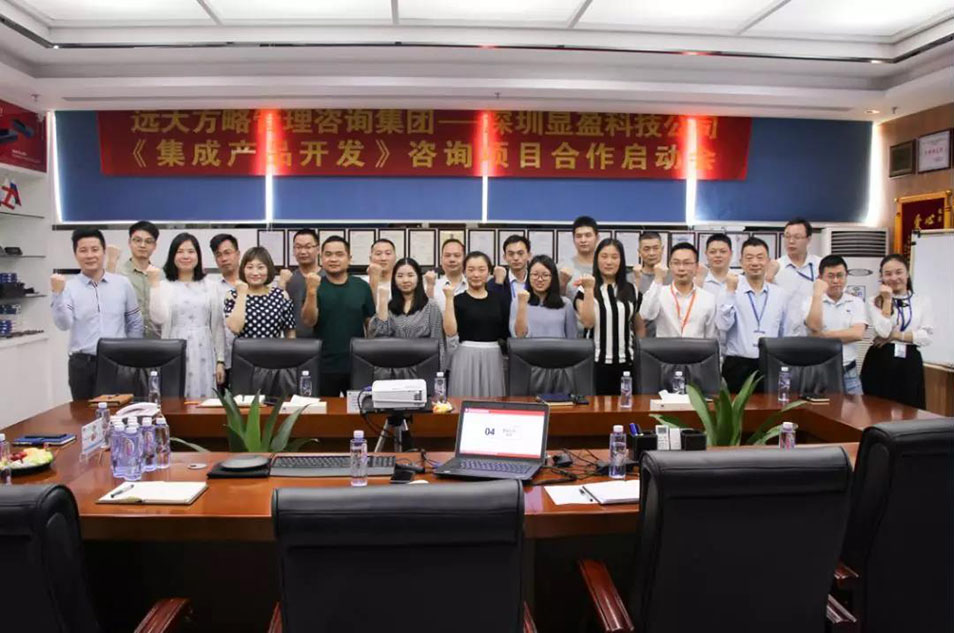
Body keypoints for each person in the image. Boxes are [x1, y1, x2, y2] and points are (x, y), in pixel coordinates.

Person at [50, 228, 143, 400]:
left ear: (104, 251)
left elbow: (135, 321)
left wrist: (130, 355)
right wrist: (57, 294)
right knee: (83, 414)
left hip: (118, 362)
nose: (90, 255)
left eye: (95, 249)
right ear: (75, 254)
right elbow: (63, 324)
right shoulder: (69, 288)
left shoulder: (122, 284)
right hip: (83, 365)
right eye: (83, 250)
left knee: (120, 412)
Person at [149, 233, 225, 399]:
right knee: (174, 397)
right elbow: (157, 319)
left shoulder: (211, 286)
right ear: (172, 256)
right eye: (180, 251)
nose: (186, 256)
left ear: (198, 255)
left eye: (191, 251)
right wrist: (154, 285)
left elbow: (218, 326)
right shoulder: (164, 286)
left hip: (204, 349)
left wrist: (220, 360)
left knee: (204, 400)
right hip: (174, 348)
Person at [716, 237, 795, 393]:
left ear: (768, 261)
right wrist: (730, 292)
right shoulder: (729, 291)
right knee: (736, 408)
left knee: (770, 406)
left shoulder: (780, 294)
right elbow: (723, 325)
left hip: (771, 362)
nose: (755, 262)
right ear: (741, 262)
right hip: (737, 364)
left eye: (760, 257)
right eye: (749, 258)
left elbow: (785, 332)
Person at [301, 236, 375, 397]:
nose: (333, 259)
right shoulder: (314, 285)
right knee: (326, 410)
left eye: (339, 254)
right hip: (324, 365)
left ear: (349, 258)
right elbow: (308, 321)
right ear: (321, 258)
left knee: (360, 409)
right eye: (328, 254)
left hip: (357, 364)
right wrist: (311, 291)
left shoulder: (361, 286)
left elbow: (371, 326)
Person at [861, 254, 934, 409]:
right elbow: (883, 332)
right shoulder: (873, 301)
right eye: (888, 274)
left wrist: (896, 335)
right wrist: (887, 300)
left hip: (910, 360)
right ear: (881, 277)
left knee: (910, 409)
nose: (894, 278)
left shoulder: (922, 301)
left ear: (907, 273)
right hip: (881, 357)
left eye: (899, 272)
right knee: (877, 409)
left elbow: (926, 337)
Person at [575, 238, 643, 395]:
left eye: (614, 257)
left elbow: (639, 326)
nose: (609, 262)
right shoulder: (584, 289)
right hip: (595, 362)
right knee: (596, 408)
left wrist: (639, 354)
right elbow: (588, 322)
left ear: (621, 260)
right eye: (604, 256)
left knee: (626, 406)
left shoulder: (631, 290)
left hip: (626, 363)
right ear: (596, 259)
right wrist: (589, 289)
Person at [443, 251, 509, 397]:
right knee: (463, 398)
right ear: (464, 272)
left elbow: (506, 331)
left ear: (489, 272)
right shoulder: (457, 300)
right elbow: (450, 331)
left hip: (493, 356)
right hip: (465, 355)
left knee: (492, 400)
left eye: (481, 269)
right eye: (471, 270)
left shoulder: (499, 300)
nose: (476, 274)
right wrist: (449, 299)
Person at [799, 255, 867, 395]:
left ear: (846, 276)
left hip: (848, 371)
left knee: (856, 408)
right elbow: (814, 326)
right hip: (819, 371)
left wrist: (822, 336)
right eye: (830, 276)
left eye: (840, 275)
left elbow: (857, 334)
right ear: (820, 278)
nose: (836, 281)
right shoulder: (809, 302)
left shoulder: (856, 302)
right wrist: (818, 294)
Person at [368, 257, 446, 368]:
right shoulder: (388, 307)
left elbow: (439, 343)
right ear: (394, 279)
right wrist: (382, 303)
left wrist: (439, 372)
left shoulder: (431, 306)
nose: (405, 280)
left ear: (418, 278)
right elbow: (379, 339)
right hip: (393, 367)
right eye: (400, 276)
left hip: (423, 367)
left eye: (410, 275)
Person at [639, 243, 716, 339]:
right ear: (670, 266)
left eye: (687, 263)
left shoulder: (708, 298)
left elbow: (710, 336)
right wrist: (658, 279)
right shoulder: (659, 293)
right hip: (665, 348)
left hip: (696, 348)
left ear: (696, 266)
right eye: (676, 263)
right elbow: (646, 314)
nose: (681, 268)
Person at [224, 247, 296, 342]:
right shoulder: (232, 295)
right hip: (244, 351)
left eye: (260, 267)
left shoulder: (281, 295)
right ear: (243, 269)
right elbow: (235, 328)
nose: (255, 273)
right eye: (250, 267)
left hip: (274, 349)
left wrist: (291, 350)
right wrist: (241, 294)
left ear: (268, 269)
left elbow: (290, 332)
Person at [109, 220, 160, 338]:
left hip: (157, 341)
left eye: (148, 241)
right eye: (137, 240)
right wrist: (111, 262)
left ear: (154, 246)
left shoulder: (161, 275)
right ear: (129, 242)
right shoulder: (118, 274)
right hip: (126, 341)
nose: (142, 245)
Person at [511, 255, 577, 339]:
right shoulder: (518, 302)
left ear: (552, 277)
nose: (539, 279)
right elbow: (519, 335)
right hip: (529, 347)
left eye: (545, 275)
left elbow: (572, 337)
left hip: (558, 347)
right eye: (535, 274)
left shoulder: (565, 303)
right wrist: (522, 304)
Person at [768, 217, 822, 305]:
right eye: (787, 236)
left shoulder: (820, 265)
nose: (791, 241)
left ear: (808, 239)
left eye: (797, 237)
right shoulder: (776, 267)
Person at [210, 233, 240, 388]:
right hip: (225, 363)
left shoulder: (254, 284)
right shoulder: (212, 289)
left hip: (253, 359)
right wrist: (219, 361)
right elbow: (214, 327)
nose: (224, 258)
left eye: (227, 253)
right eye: (218, 255)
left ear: (238, 254)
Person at [635, 231, 673, 338]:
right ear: (639, 252)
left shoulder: (674, 278)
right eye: (646, 249)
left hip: (669, 339)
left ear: (662, 249)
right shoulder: (631, 278)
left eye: (656, 248)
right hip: (639, 340)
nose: (651, 253)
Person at [284, 228, 320, 339]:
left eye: (308, 247)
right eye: (298, 247)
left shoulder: (327, 277)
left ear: (318, 249)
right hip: (295, 342)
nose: (303, 252)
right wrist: (282, 286)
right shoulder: (289, 279)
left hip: (323, 340)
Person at [488, 234, 532, 321]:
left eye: (520, 253)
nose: (516, 258)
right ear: (505, 257)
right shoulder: (494, 283)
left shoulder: (536, 281)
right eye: (511, 254)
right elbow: (490, 311)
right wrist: (498, 285)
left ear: (529, 255)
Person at [558, 216, 599, 298]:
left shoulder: (606, 267)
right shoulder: (562, 267)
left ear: (597, 238)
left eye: (588, 235)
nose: (583, 240)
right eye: (579, 236)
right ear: (573, 239)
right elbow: (553, 300)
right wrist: (562, 283)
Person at [432, 238, 466, 312]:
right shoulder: (432, 288)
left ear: (464, 259)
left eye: (457, 255)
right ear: (441, 260)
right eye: (447, 255)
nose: (452, 259)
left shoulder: (472, 286)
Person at [367, 238, 397, 308]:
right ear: (370, 258)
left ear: (395, 257)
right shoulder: (361, 283)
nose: (383, 258)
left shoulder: (402, 283)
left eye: (388, 253)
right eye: (378, 254)